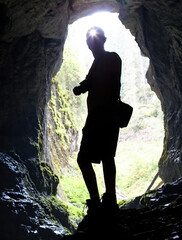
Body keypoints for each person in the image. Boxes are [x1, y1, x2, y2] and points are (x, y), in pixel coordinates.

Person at [73, 26, 121, 215]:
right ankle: (99, 200)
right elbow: (92, 81)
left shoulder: (112, 57)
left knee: (103, 157)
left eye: (95, 37)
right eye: (89, 39)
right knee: (89, 158)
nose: (91, 41)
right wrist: (83, 86)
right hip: (96, 117)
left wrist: (86, 85)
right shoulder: (97, 63)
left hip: (106, 116)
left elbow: (107, 81)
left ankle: (107, 199)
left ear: (103, 40)